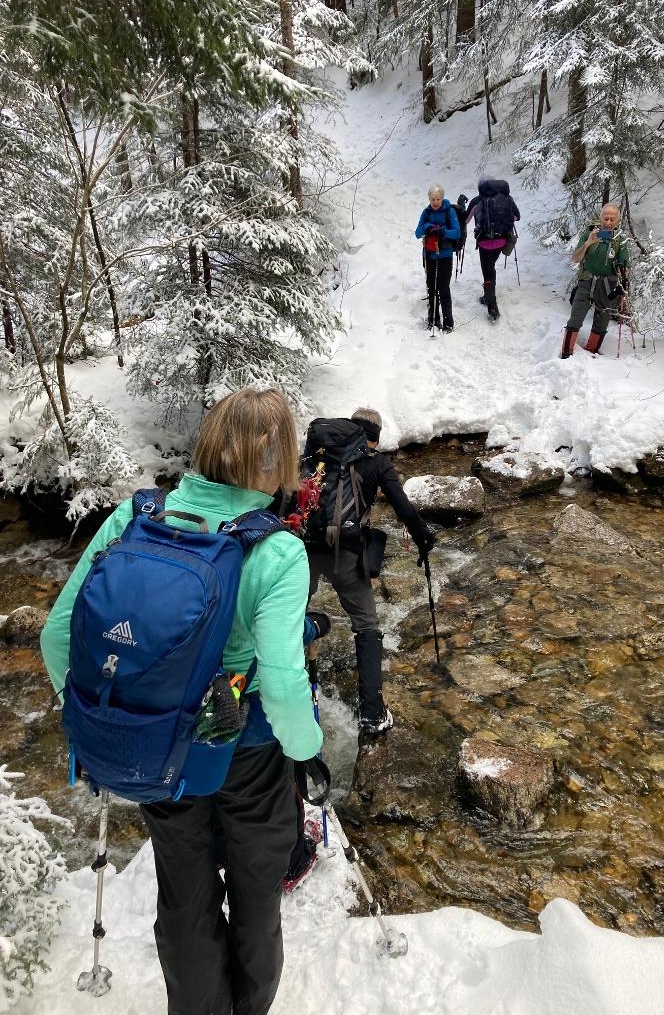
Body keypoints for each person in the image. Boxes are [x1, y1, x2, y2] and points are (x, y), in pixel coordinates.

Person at [40, 387, 322, 1015]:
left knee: (184, 894)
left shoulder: (133, 517)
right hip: (246, 757)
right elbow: (279, 682)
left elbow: (58, 635)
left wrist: (99, 717)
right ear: (277, 464)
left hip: (155, 750)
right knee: (255, 898)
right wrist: (308, 748)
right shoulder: (276, 550)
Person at [305, 407, 436, 735]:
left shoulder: (317, 456)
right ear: (375, 438)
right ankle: (372, 714)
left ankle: (296, 688)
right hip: (347, 555)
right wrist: (424, 539)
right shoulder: (376, 463)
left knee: (290, 614)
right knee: (366, 625)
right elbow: (404, 508)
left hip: (303, 551)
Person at [560, 203, 631, 358]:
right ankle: (566, 354)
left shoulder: (621, 240)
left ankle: (592, 352)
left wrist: (623, 281)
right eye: (606, 218)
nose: (609, 222)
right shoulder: (589, 234)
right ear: (600, 218)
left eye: (613, 219)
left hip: (607, 286)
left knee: (602, 321)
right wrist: (588, 243)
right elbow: (575, 258)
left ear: (618, 221)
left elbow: (625, 266)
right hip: (587, 281)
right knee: (576, 317)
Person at [466, 178, 521, 321]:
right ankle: (487, 296)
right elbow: (517, 216)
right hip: (502, 240)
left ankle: (492, 306)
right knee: (491, 266)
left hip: (485, 242)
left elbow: (465, 220)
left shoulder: (477, 200)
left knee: (487, 271)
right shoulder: (508, 199)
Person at [414, 183, 461, 332]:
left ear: (442, 198)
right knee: (431, 288)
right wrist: (426, 227)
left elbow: (457, 232)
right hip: (429, 256)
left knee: (443, 288)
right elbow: (417, 233)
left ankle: (448, 322)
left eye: (438, 199)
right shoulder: (426, 213)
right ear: (429, 199)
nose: (435, 202)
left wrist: (443, 232)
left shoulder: (450, 211)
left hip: (445, 256)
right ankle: (433, 320)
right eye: (433, 199)